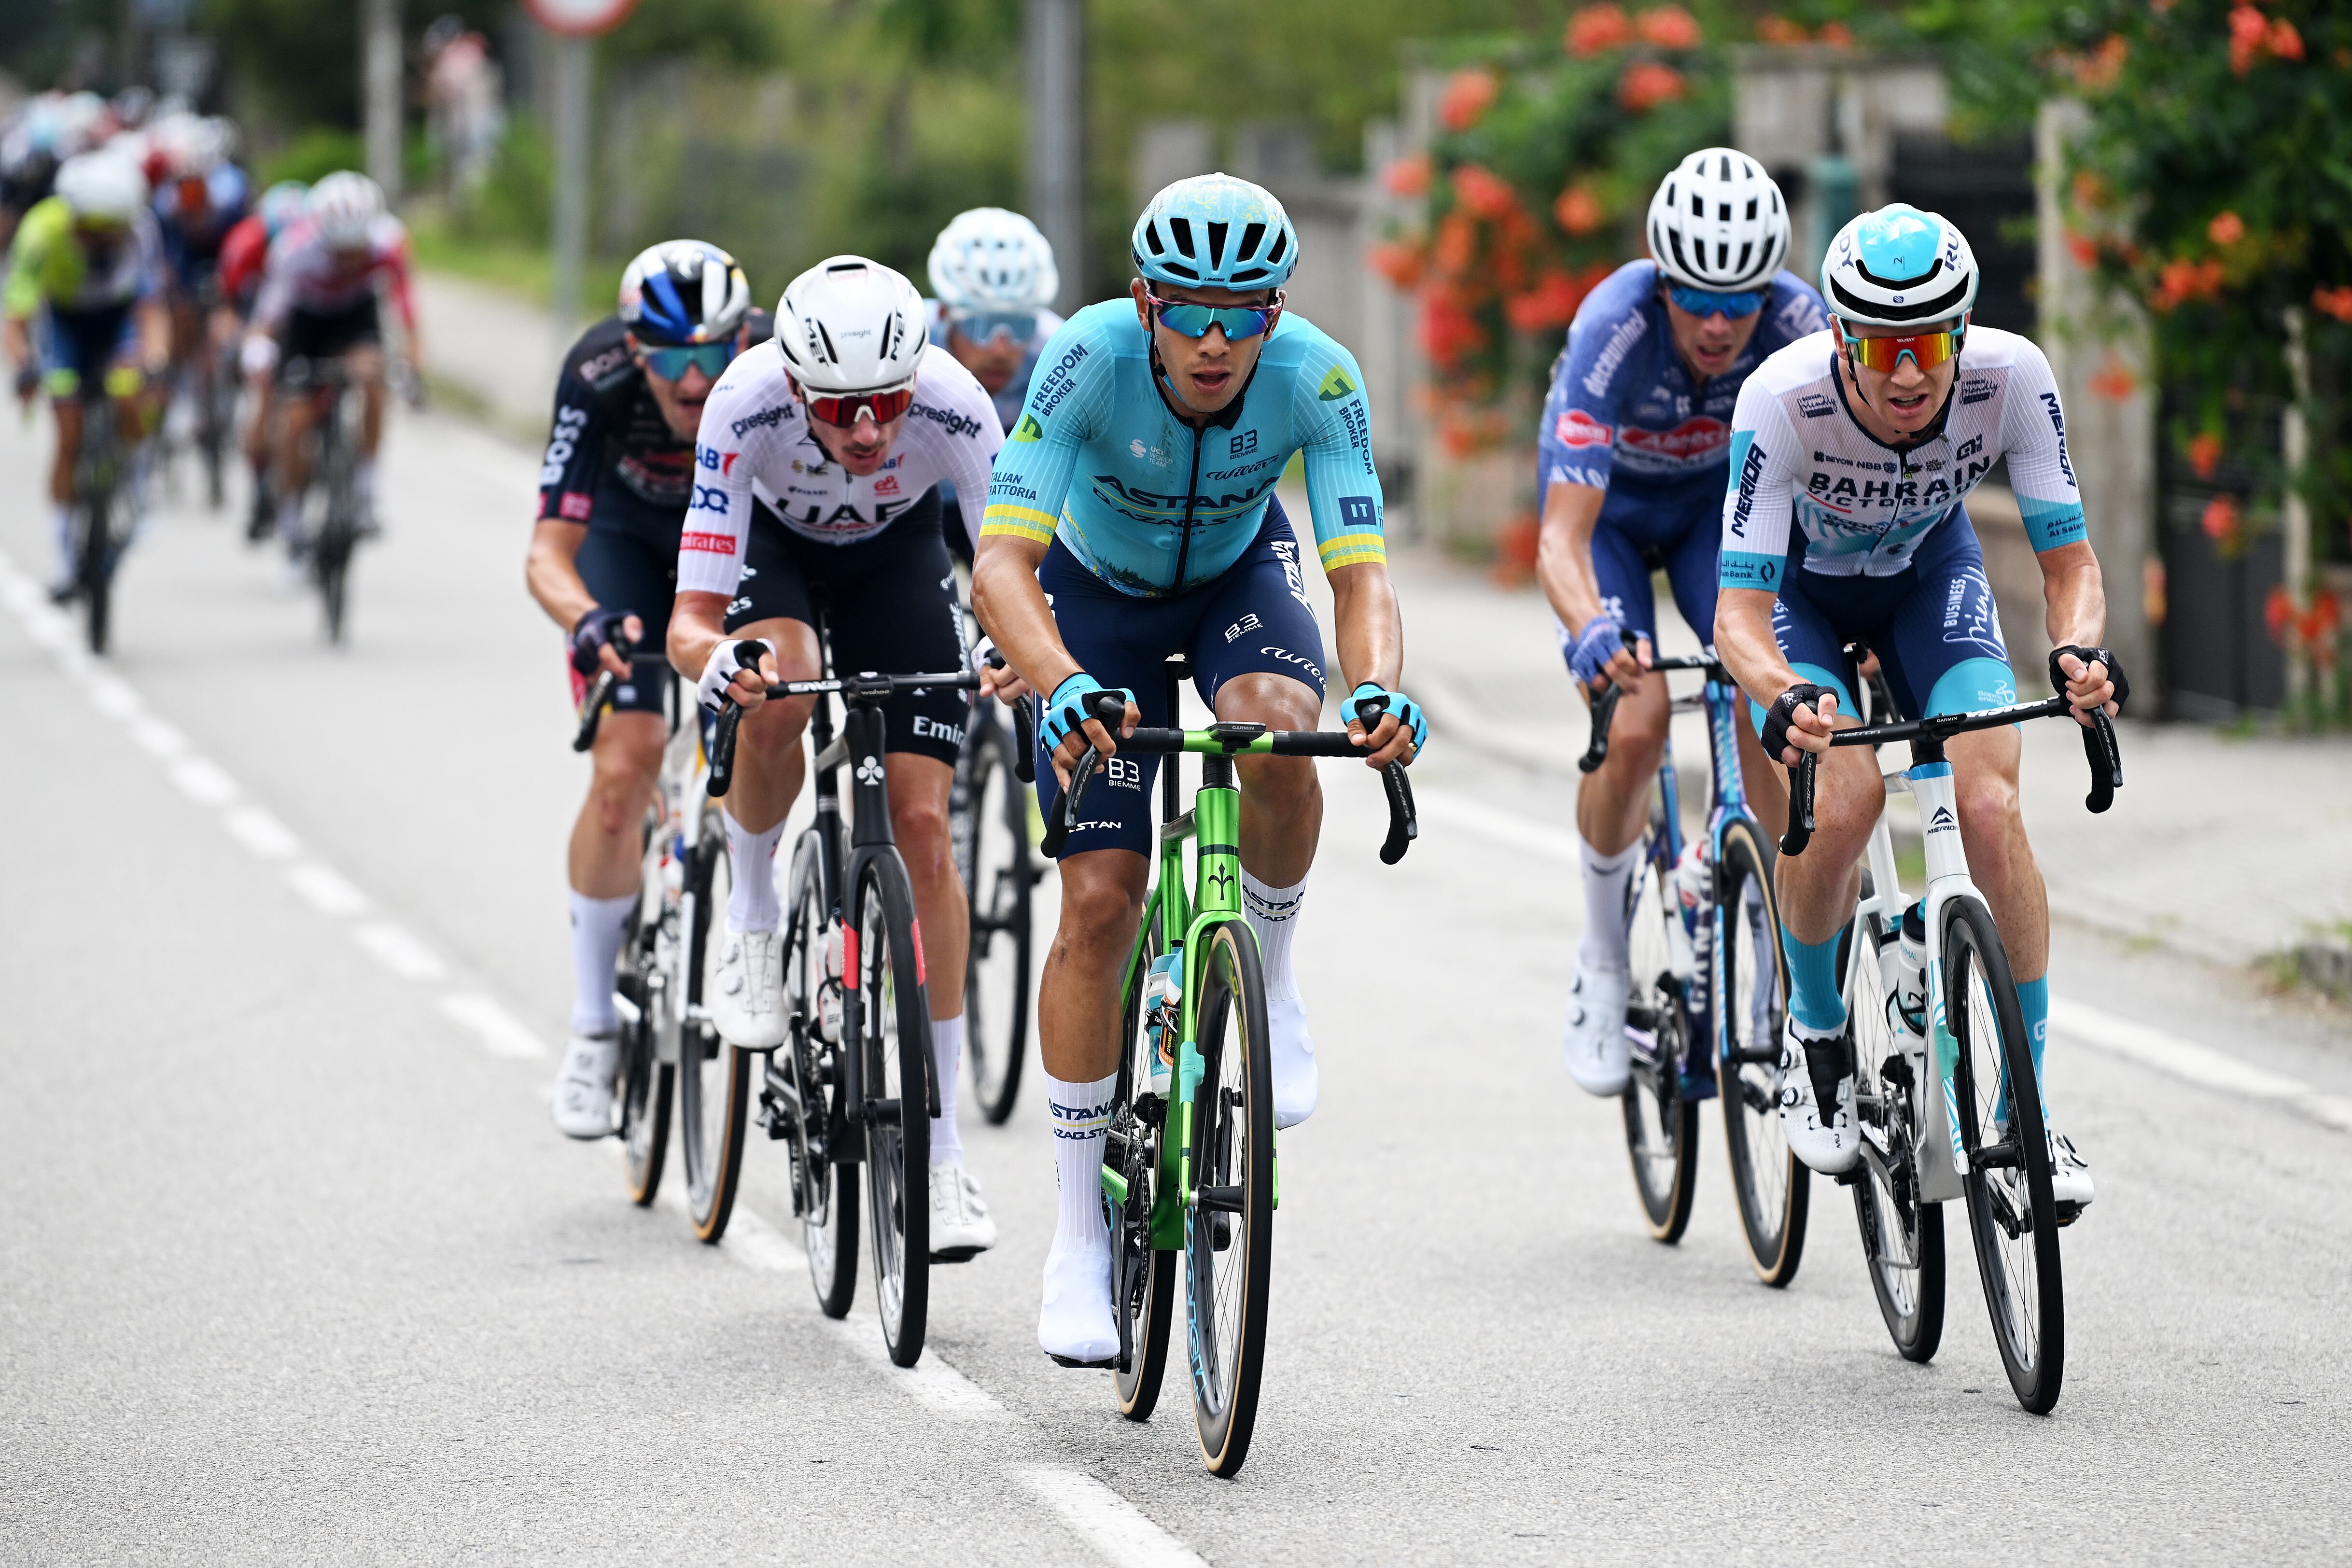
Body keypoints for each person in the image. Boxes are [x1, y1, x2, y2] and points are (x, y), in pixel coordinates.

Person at [970, 172, 1422, 1364]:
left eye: (1242, 312)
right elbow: (1003, 570)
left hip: (1237, 577)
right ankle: (1076, 1238)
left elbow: (1360, 573)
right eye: (1189, 311)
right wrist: (1060, 679)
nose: (1216, 339)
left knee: (1283, 720)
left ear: (1274, 314)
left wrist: (1376, 685)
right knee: (1102, 901)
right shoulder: (1084, 358)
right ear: (1145, 302)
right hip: (1091, 600)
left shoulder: (1319, 376)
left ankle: (1265, 978)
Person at [1713, 203, 2115, 1217]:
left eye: (1931, 343)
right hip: (1805, 596)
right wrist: (1781, 690)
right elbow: (1738, 615)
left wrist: (2077, 647)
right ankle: (1815, 1035)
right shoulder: (1780, 399)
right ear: (1842, 337)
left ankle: (2026, 1109)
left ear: (1964, 333)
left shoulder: (2013, 377)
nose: (1908, 374)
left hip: (1931, 580)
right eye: (1884, 345)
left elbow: (2070, 564)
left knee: (1991, 805)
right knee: (1842, 804)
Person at [669, 256, 1006, 1261]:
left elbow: (1010, 571)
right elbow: (690, 619)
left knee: (922, 830)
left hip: (896, 559)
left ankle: (941, 1155)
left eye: (886, 403)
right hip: (773, 552)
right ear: (794, 387)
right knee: (781, 681)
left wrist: (1007, 649)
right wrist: (719, 662)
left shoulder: (953, 404)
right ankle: (754, 916)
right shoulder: (741, 404)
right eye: (841, 409)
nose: (868, 431)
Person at [1541, 147, 1826, 1097]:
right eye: (1695, 298)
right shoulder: (1612, 328)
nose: (1715, 323)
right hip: (1611, 518)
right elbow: (1560, 539)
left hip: (1719, 518)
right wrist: (1589, 630)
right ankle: (1603, 959)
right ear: (1661, 281)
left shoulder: (1799, 324)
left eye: (1737, 302)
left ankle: (1783, 956)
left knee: (1769, 696)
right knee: (1639, 719)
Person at [527, 241, 762, 1138]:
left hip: (735, 545)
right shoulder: (594, 378)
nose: (696, 380)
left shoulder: (776, 366)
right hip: (624, 547)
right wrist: (584, 617)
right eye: (671, 356)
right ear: (633, 350)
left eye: (714, 352)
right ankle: (591, 1026)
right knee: (624, 768)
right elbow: (546, 552)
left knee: (761, 723)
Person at [2, 148, 169, 599]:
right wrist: (25, 368)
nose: (101, 240)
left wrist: (155, 360)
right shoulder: (40, 232)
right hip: (66, 324)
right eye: (91, 230)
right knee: (69, 433)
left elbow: (152, 309)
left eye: (111, 231)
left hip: (118, 322)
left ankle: (135, 485)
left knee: (132, 394)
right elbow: (16, 318)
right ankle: (64, 557)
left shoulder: (141, 229)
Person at [242, 171, 421, 554]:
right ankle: (289, 516)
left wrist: (414, 371)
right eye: (338, 251)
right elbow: (268, 319)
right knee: (294, 421)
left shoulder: (390, 242)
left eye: (355, 250)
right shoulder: (293, 249)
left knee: (374, 375)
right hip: (304, 323)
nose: (347, 260)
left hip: (356, 316)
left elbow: (408, 314)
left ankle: (366, 488)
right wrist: (258, 350)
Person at [216, 180, 307, 536]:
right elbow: (226, 305)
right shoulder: (244, 245)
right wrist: (237, 342)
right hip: (258, 321)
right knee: (263, 398)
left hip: (301, 323)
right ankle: (259, 485)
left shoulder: (313, 251)